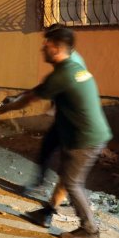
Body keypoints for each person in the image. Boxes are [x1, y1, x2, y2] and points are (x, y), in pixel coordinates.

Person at [0, 27, 112, 238]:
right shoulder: (72, 64)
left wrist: (6, 108)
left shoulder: (61, 74)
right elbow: (39, 90)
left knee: (72, 182)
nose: (43, 47)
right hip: (79, 131)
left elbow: (31, 99)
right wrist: (20, 97)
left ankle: (90, 231)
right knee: (67, 175)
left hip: (84, 137)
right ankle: (47, 212)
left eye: (46, 43)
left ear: (57, 48)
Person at [29, 24, 88, 192]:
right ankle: (42, 185)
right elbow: (55, 84)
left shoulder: (72, 62)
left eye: (48, 40)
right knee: (48, 147)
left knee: (69, 161)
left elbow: (66, 85)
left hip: (74, 120)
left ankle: (64, 196)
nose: (44, 45)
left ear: (57, 44)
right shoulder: (68, 59)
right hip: (66, 116)